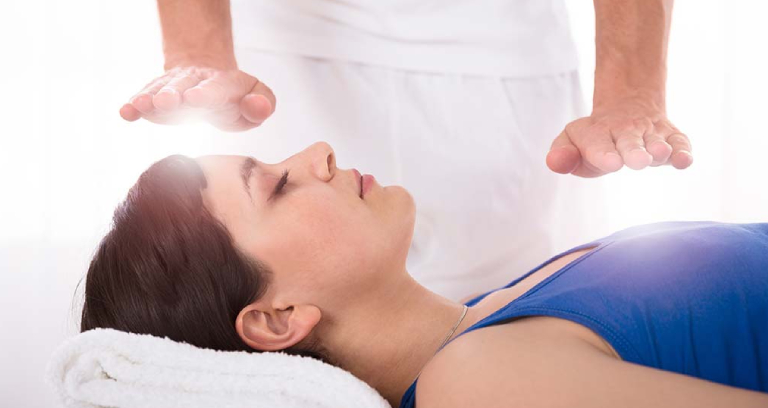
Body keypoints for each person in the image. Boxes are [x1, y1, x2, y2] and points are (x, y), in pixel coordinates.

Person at [80, 142, 766, 408]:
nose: (316, 153)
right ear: (277, 318)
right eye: (278, 186)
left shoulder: (487, 315)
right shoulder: (472, 385)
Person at [116, 0, 693, 301]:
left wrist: (631, 88)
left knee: (511, 320)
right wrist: (197, 53)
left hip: (496, 62)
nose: (323, 157)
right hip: (276, 66)